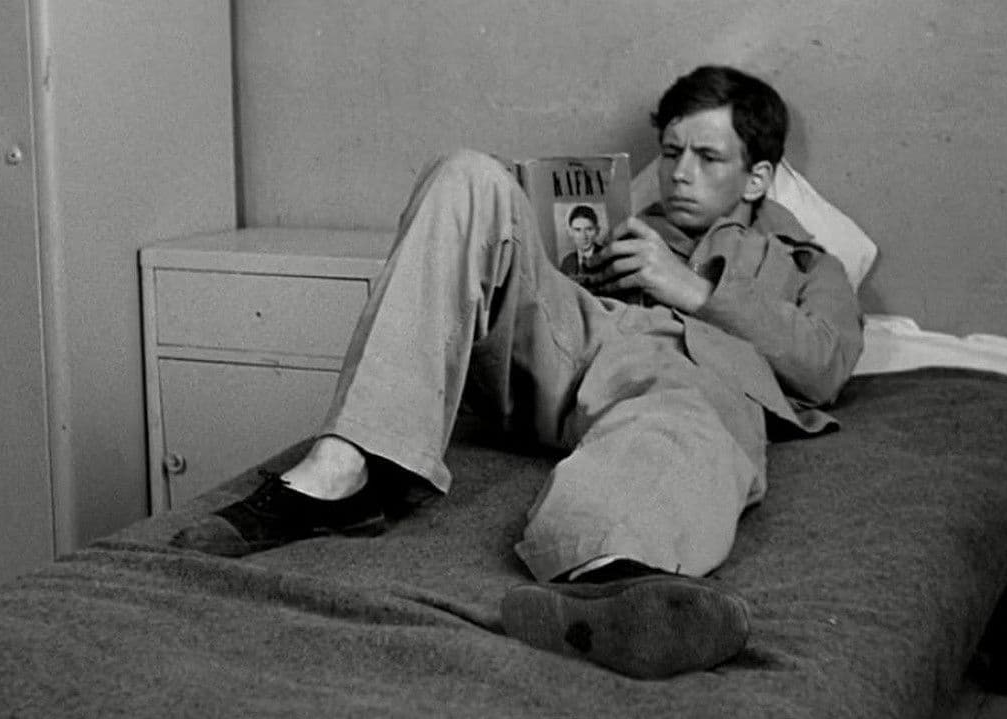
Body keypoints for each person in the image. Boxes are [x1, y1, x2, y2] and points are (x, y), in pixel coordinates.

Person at [172, 65, 864, 679]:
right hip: (574, 342)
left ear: (758, 177)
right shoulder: (622, 224)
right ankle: (344, 468)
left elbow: (826, 364)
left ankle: (609, 579)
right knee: (468, 174)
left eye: (708, 158)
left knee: (676, 423)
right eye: (672, 151)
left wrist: (692, 289)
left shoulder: (806, 265)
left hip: (690, 373)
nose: (681, 173)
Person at [558, 203, 602, 277]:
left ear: (597, 231)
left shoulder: (607, 258)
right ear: (570, 232)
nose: (583, 236)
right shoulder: (567, 262)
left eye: (589, 229)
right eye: (578, 230)